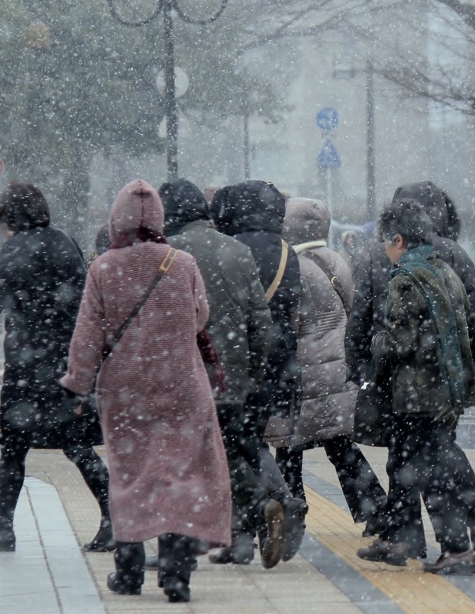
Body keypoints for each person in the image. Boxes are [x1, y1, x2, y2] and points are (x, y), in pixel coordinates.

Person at [61, 180, 231, 603]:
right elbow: (200, 316)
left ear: (117, 218)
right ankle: (176, 573)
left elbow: (88, 337)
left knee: (130, 478)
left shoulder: (103, 268)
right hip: (182, 385)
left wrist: (78, 386)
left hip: (125, 391)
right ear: (159, 219)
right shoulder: (183, 262)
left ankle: (129, 570)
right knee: (178, 477)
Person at [0, 181, 110, 554]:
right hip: (67, 362)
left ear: (9, 218)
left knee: (13, 446)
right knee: (76, 445)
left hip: (29, 367)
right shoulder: (64, 241)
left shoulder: (15, 251)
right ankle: (113, 521)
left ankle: (4, 527)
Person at [346, 182, 475, 557]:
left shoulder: (395, 265)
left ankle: (433, 541)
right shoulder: (451, 256)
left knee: (415, 459)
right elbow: (474, 314)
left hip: (403, 381)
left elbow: (364, 321)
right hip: (442, 380)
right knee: (427, 453)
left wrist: (362, 363)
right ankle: (420, 535)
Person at [157, 179, 284, 569]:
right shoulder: (237, 250)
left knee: (189, 460)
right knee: (226, 451)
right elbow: (261, 324)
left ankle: (190, 543)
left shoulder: (168, 256)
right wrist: (250, 374)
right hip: (231, 381)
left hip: (184, 377)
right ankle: (240, 533)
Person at [270, 197, 388, 529]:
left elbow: (289, 322)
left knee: (289, 445)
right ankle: (376, 508)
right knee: (339, 444)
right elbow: (354, 311)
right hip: (339, 366)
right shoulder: (338, 260)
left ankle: (291, 510)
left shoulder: (292, 266)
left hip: (306, 369)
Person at [211, 181, 308, 561]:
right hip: (279, 362)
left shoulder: (231, 249)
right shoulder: (287, 252)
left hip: (237, 360)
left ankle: (279, 501)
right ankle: (239, 540)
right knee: (246, 439)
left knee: (236, 444)